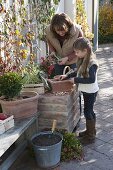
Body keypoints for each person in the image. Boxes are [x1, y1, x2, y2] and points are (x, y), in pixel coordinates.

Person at [59, 37, 99, 144]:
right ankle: (90, 131)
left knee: (88, 111)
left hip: (91, 91)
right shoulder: (83, 59)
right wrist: (66, 76)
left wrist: (75, 80)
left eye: (77, 52)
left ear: (85, 51)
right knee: (89, 111)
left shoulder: (92, 63)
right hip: (86, 91)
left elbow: (91, 79)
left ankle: (91, 135)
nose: (75, 54)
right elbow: (78, 71)